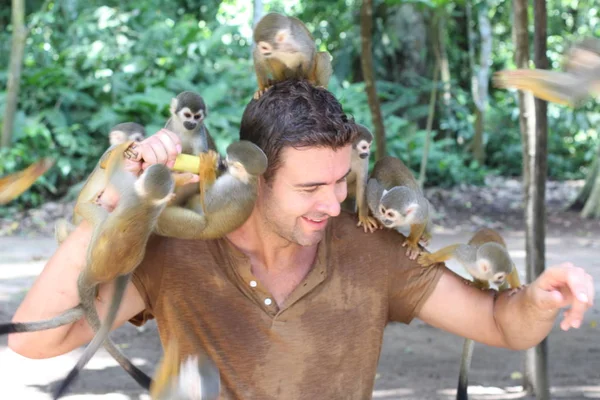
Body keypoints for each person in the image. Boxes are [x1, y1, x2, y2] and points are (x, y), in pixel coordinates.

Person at [8, 80, 595, 399]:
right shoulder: (177, 247)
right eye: (312, 186)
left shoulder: (370, 248)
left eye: (342, 181)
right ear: (256, 179)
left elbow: (501, 325)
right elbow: (37, 342)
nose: (334, 202)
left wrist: (539, 298)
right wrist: (114, 206)